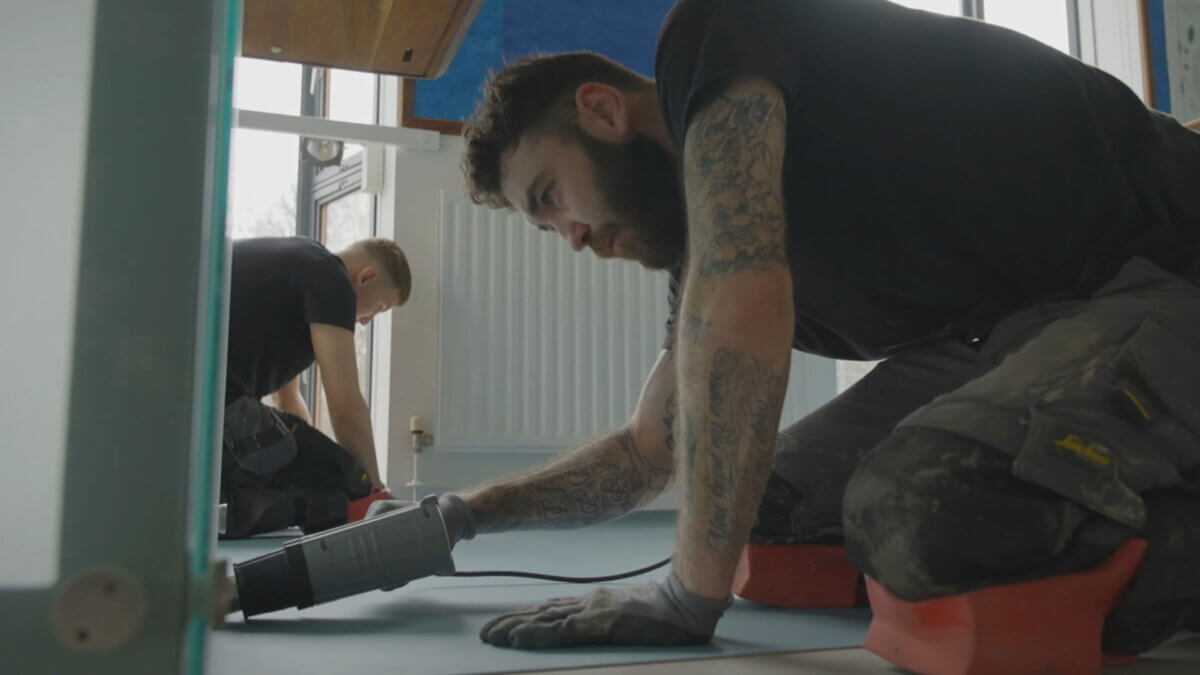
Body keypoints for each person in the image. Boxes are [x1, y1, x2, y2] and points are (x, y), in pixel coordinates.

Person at [401, 0, 1200, 653]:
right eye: (546, 227)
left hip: (1163, 268)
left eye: (549, 196)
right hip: (1020, 327)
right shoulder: (700, 256)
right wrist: (470, 511)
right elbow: (652, 450)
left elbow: (744, 289)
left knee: (925, 505)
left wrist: (688, 594)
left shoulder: (708, 38)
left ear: (603, 111)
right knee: (766, 507)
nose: (569, 235)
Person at [221, 235, 409, 537]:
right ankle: (226, 511)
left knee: (309, 469)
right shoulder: (331, 278)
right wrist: (372, 491)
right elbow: (345, 407)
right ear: (366, 277)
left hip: (189, 405)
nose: (366, 321)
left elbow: (289, 402)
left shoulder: (297, 268)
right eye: (379, 307)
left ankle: (217, 503)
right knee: (345, 481)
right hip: (214, 407)